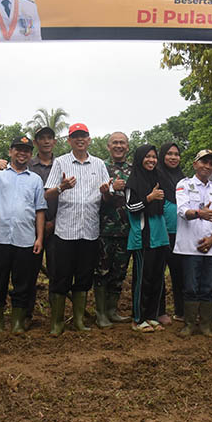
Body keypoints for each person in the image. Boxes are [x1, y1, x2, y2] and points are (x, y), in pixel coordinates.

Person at [0, 135, 47, 333]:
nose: (22, 153)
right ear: (10, 151)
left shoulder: (35, 180)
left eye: (26, 150)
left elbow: (40, 209)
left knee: (22, 283)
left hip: (25, 238)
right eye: (18, 149)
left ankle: (17, 322)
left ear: (30, 155)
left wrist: (39, 237)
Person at [44, 123, 109, 334]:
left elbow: (107, 195)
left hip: (89, 231)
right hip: (65, 231)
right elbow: (47, 194)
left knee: (83, 278)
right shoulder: (60, 162)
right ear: (69, 140)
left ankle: (79, 321)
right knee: (61, 277)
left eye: (84, 136)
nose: (80, 139)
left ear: (89, 139)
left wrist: (107, 191)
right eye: (75, 136)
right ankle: (57, 322)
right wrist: (62, 187)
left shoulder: (99, 164)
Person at [174, 150, 212, 335]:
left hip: (210, 248)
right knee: (190, 287)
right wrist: (199, 213)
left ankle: (205, 325)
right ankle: (188, 324)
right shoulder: (184, 185)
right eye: (203, 162)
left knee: (209, 287)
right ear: (195, 164)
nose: (207, 166)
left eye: (211, 163)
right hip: (189, 247)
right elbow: (182, 210)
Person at [124, 144, 170, 332]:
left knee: (157, 277)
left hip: (159, 235)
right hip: (143, 236)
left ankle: (152, 315)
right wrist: (149, 198)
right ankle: (138, 318)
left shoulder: (157, 178)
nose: (151, 160)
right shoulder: (133, 181)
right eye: (147, 157)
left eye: (154, 157)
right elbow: (130, 207)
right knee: (142, 279)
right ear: (139, 158)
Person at [94, 131, 133, 327]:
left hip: (127, 230)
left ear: (127, 146)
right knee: (102, 272)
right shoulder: (100, 167)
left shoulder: (134, 170)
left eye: (122, 143)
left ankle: (112, 310)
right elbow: (95, 196)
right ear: (108, 146)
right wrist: (111, 189)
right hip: (104, 230)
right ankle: (100, 313)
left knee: (119, 272)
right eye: (115, 143)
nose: (119, 146)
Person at [29, 125, 59, 314]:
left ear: (54, 142)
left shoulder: (63, 164)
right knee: (29, 272)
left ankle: (55, 316)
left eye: (50, 138)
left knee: (57, 272)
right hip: (31, 227)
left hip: (58, 227)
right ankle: (26, 313)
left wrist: (54, 221)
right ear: (36, 142)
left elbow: (68, 197)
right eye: (42, 138)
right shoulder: (27, 165)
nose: (46, 141)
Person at [156, 142, 185, 324]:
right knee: (159, 273)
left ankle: (181, 310)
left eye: (176, 154)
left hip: (181, 233)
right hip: (162, 232)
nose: (173, 157)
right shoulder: (156, 175)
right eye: (169, 154)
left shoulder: (183, 179)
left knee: (180, 273)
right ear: (162, 156)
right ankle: (160, 311)